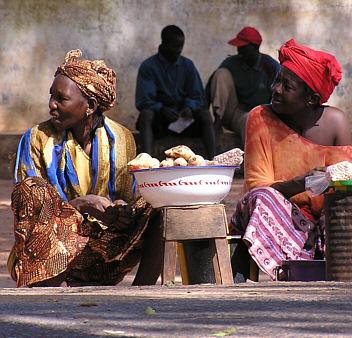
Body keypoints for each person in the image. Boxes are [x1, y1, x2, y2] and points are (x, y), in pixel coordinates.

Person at [7, 50, 162, 287]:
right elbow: (31, 209)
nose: (52, 105)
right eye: (51, 96)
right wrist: (80, 205)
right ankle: (43, 290)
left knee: (158, 204)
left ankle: (142, 292)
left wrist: (120, 210)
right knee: (33, 189)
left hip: (103, 252)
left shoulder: (121, 138)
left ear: (89, 105)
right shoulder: (36, 138)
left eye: (61, 98)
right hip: (49, 253)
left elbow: (127, 197)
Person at [229, 39, 352, 282]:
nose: (275, 89)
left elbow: (344, 185)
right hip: (274, 217)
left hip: (318, 225)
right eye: (277, 80)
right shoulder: (260, 118)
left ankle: (330, 266)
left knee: (345, 207)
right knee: (261, 198)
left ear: (311, 99)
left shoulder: (336, 123)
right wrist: (301, 183)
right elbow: (258, 189)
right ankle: (284, 265)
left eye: (287, 86)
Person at [135, 25, 216, 158]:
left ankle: (214, 160)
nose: (178, 50)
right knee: (146, 115)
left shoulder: (188, 65)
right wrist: (161, 109)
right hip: (161, 122)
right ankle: (147, 161)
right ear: (164, 44)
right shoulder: (149, 66)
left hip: (184, 121)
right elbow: (143, 101)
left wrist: (189, 108)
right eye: (174, 46)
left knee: (205, 115)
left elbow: (198, 96)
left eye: (181, 46)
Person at [207, 26, 280, 147]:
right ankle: (217, 122)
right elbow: (211, 84)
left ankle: (253, 161)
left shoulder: (270, 66)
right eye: (238, 47)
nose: (239, 51)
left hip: (260, 115)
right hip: (236, 111)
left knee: (251, 120)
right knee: (221, 74)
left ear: (255, 47)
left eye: (243, 48)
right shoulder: (231, 62)